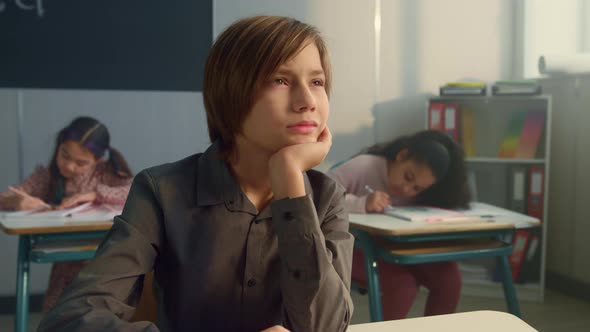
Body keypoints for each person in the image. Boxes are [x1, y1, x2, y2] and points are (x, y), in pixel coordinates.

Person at [38, 16, 354, 332]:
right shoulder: (162, 190)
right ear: (231, 92)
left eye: (317, 82)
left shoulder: (326, 197)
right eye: (281, 80)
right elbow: (69, 321)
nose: (308, 102)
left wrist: (288, 179)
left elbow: (328, 326)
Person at [328, 129, 470, 320]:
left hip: (392, 247)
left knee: (449, 278)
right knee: (402, 284)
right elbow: (318, 196)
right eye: (408, 177)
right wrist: (361, 202)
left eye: (417, 188)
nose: (406, 189)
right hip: (348, 248)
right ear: (401, 156)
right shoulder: (364, 166)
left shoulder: (417, 192)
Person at [0, 116, 133, 311]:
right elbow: (4, 198)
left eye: (81, 163)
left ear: (98, 160)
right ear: (59, 145)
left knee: (103, 310)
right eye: (65, 155)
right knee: (59, 311)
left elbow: (134, 191)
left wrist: (94, 194)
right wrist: (18, 201)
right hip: (64, 262)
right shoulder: (48, 176)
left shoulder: (106, 174)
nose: (69, 166)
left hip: (105, 259)